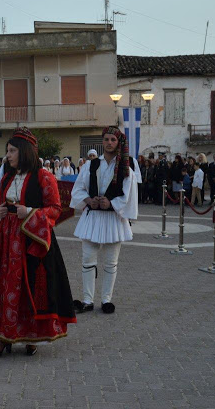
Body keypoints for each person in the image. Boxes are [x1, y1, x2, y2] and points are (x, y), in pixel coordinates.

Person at [0, 126, 76, 357]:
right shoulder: (6, 178)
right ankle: (4, 336)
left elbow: (56, 209)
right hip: (6, 241)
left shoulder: (44, 176)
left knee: (29, 286)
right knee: (5, 285)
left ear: (24, 151)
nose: (8, 155)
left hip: (31, 240)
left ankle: (31, 336)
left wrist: (31, 211)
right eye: (8, 151)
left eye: (12, 150)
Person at [70, 126, 138, 315]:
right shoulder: (90, 165)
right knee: (87, 260)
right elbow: (78, 189)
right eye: (106, 139)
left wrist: (111, 203)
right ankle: (87, 299)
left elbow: (128, 194)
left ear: (118, 143)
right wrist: (89, 200)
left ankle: (106, 299)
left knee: (110, 262)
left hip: (113, 219)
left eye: (113, 140)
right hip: (92, 218)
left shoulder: (125, 168)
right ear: (102, 142)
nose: (109, 143)